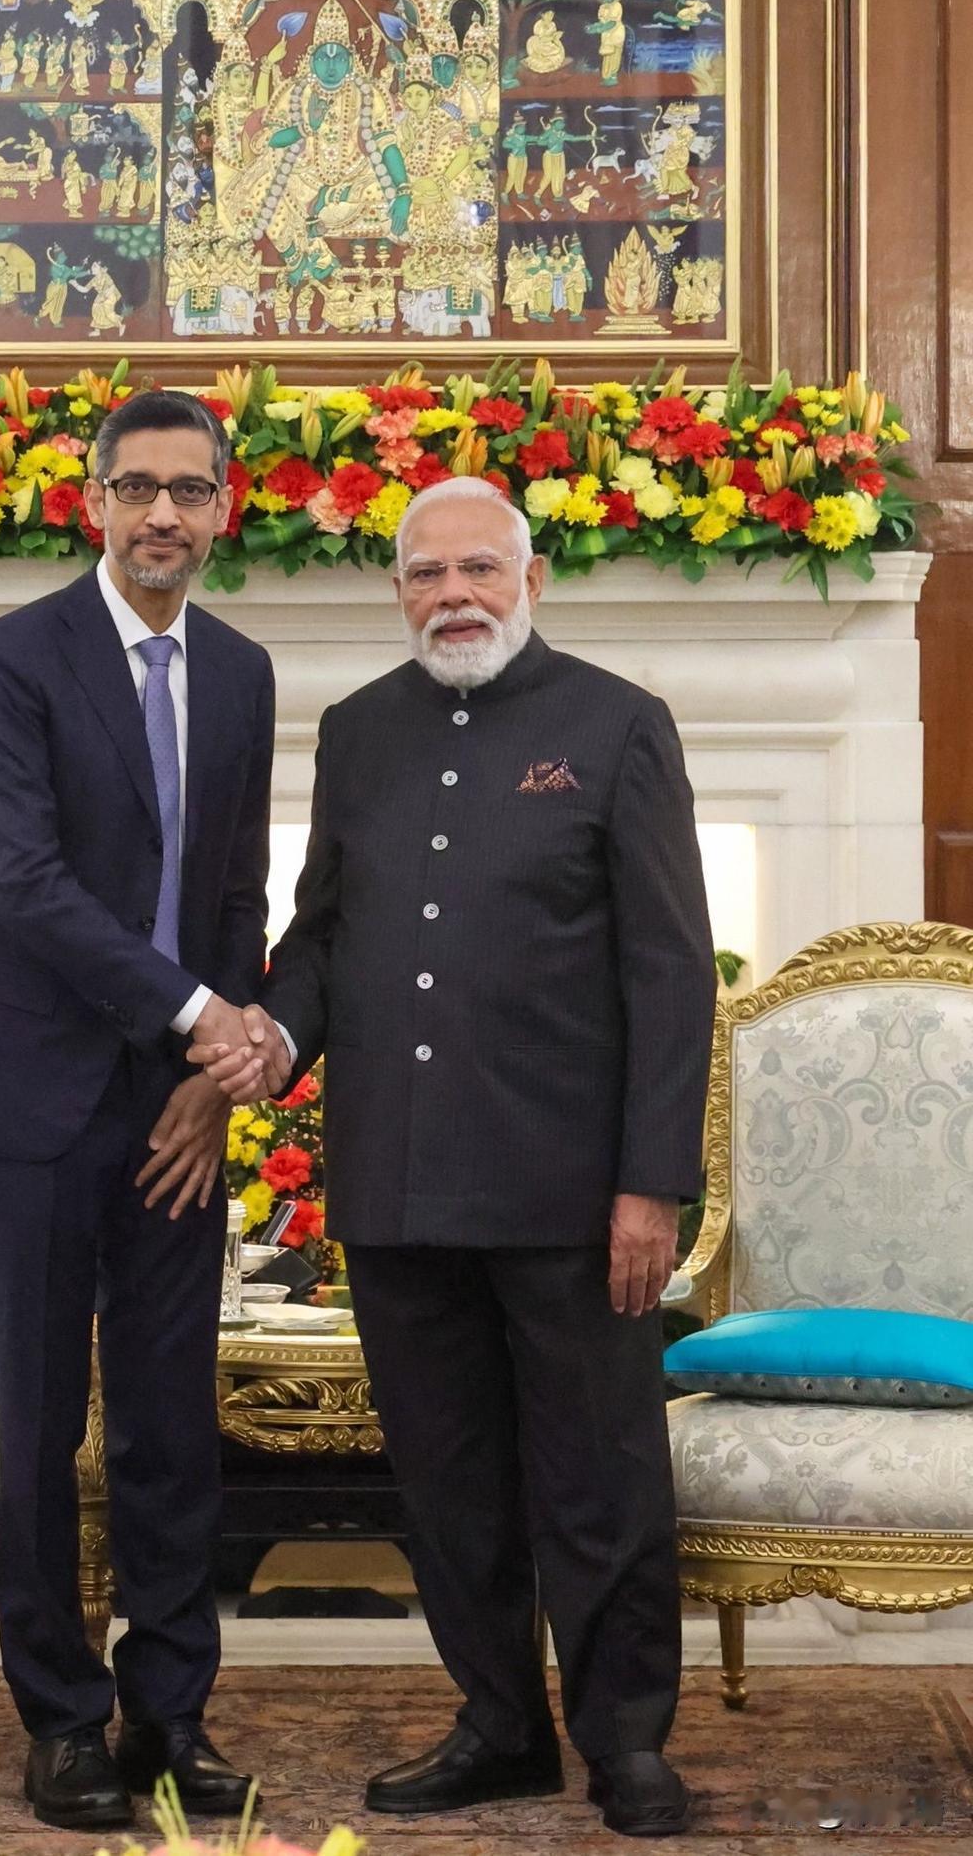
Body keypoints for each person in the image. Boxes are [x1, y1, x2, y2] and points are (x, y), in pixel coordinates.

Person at [193, 477, 716, 1840]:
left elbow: (671, 976)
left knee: (599, 1481)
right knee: (446, 1487)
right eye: (427, 574)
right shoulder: (357, 730)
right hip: (398, 1183)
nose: (454, 595)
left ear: (531, 580)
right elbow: (323, 934)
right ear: (398, 592)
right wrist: (273, 1035)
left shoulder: (619, 725)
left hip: (572, 1192)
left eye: (480, 568)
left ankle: (626, 1742)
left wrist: (651, 1183)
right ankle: (500, 1727)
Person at [0, 391, 287, 1834]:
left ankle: (169, 1715)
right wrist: (201, 1019)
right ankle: (63, 1722)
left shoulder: (243, 673)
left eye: (189, 491)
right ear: (93, 504)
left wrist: (208, 1078)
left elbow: (240, 892)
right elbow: (26, 884)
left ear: (223, 511)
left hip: (171, 1108)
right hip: (31, 1092)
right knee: (38, 1423)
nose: (162, 516)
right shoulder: (11, 657)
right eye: (137, 488)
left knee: (168, 1420)